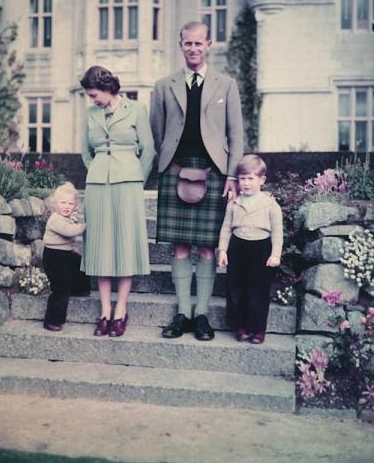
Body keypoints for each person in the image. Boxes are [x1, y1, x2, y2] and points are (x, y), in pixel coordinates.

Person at [150, 20, 244, 340]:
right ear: (181, 45)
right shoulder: (164, 85)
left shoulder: (226, 84)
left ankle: (201, 314)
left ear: (209, 45)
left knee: (206, 248)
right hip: (176, 169)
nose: (193, 48)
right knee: (179, 247)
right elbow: (157, 130)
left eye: (198, 43)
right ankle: (181, 313)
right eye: (187, 43)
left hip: (213, 172)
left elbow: (236, 133)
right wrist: (165, 165)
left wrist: (232, 174)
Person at [79, 65, 155, 337]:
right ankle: (104, 311)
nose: (92, 99)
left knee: (124, 244)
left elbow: (148, 150)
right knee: (100, 245)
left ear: (109, 88)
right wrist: (99, 170)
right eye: (89, 95)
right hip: (98, 185)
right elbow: (85, 152)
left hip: (128, 184)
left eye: (94, 94)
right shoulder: (90, 114)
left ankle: (121, 309)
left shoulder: (136, 110)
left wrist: (137, 180)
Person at [216, 154, 283, 344]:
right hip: (238, 248)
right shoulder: (234, 204)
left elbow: (277, 231)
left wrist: (275, 254)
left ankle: (258, 329)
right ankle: (241, 326)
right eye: (242, 178)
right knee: (236, 289)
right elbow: (226, 228)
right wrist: (222, 251)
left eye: (250, 178)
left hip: (261, 249)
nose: (246, 183)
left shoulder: (270, 204)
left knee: (258, 290)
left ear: (262, 180)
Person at [40, 182, 90, 332]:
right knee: (60, 287)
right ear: (55, 204)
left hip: (65, 253)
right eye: (63, 203)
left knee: (79, 264)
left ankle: (79, 288)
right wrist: (85, 226)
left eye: (70, 203)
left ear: (75, 205)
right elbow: (68, 231)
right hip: (54, 256)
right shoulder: (55, 219)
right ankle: (52, 319)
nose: (66, 206)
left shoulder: (68, 216)